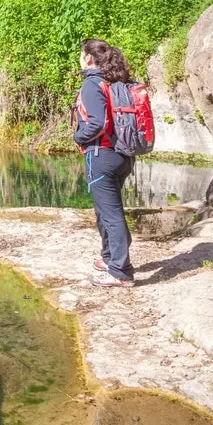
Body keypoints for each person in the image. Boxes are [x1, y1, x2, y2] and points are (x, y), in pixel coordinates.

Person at [73, 39, 135, 287]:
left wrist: (78, 136)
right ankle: (110, 258)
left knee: (110, 214)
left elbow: (97, 123)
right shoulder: (117, 80)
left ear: (89, 58)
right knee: (106, 211)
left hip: (102, 156)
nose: (79, 58)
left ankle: (121, 271)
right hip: (123, 155)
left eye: (81, 54)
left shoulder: (92, 83)